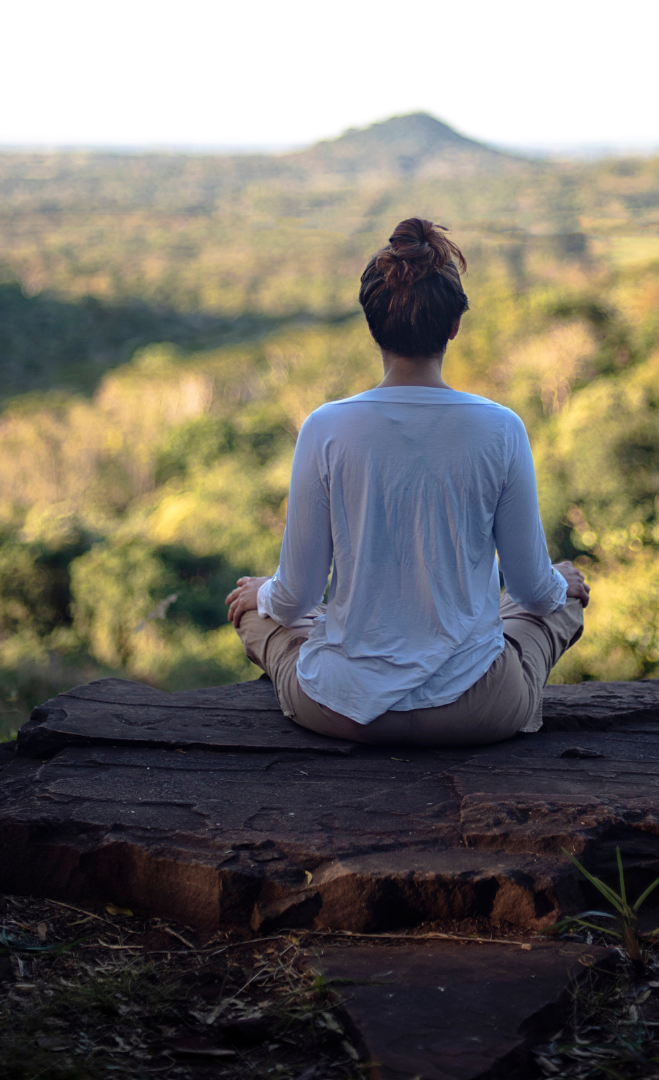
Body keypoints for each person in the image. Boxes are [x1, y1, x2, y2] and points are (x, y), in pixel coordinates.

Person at [225, 217, 588, 746]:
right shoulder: (501, 427)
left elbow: (296, 598)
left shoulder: (325, 427)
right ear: (453, 326)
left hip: (344, 710)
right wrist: (560, 584)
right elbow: (533, 592)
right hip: (478, 710)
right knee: (560, 596)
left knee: (257, 613)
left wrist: (265, 594)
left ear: (373, 325)